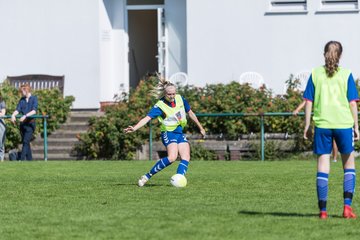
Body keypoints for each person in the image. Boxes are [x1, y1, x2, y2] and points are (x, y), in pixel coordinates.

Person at [303, 41, 358, 219]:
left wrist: (307, 125)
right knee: (349, 166)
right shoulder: (347, 74)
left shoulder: (315, 74)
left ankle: (323, 211)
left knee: (323, 166)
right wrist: (356, 126)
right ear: (340, 55)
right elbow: (352, 103)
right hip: (343, 125)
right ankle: (347, 208)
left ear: (324, 53)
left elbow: (308, 102)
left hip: (323, 125)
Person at [124, 78, 206, 187]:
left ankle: (179, 179)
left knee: (186, 156)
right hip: (168, 133)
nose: (172, 96)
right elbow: (147, 118)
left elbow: (190, 113)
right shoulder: (160, 105)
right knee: (172, 157)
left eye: (173, 93)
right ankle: (147, 176)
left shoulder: (180, 98)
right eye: (169, 94)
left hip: (179, 132)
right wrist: (134, 128)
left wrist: (200, 127)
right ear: (165, 93)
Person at [11, 84, 38, 160]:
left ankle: (21, 160)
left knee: (26, 141)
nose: (21, 92)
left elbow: (34, 111)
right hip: (23, 125)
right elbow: (18, 109)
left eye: (22, 91)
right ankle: (30, 160)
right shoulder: (22, 100)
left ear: (26, 90)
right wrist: (13, 115)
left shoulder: (34, 99)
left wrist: (25, 115)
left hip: (30, 124)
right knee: (26, 143)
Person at [0, 93, 6, 161]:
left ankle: (1, 160)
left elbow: (3, 113)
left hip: (0, 123)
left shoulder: (2, 102)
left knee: (1, 143)